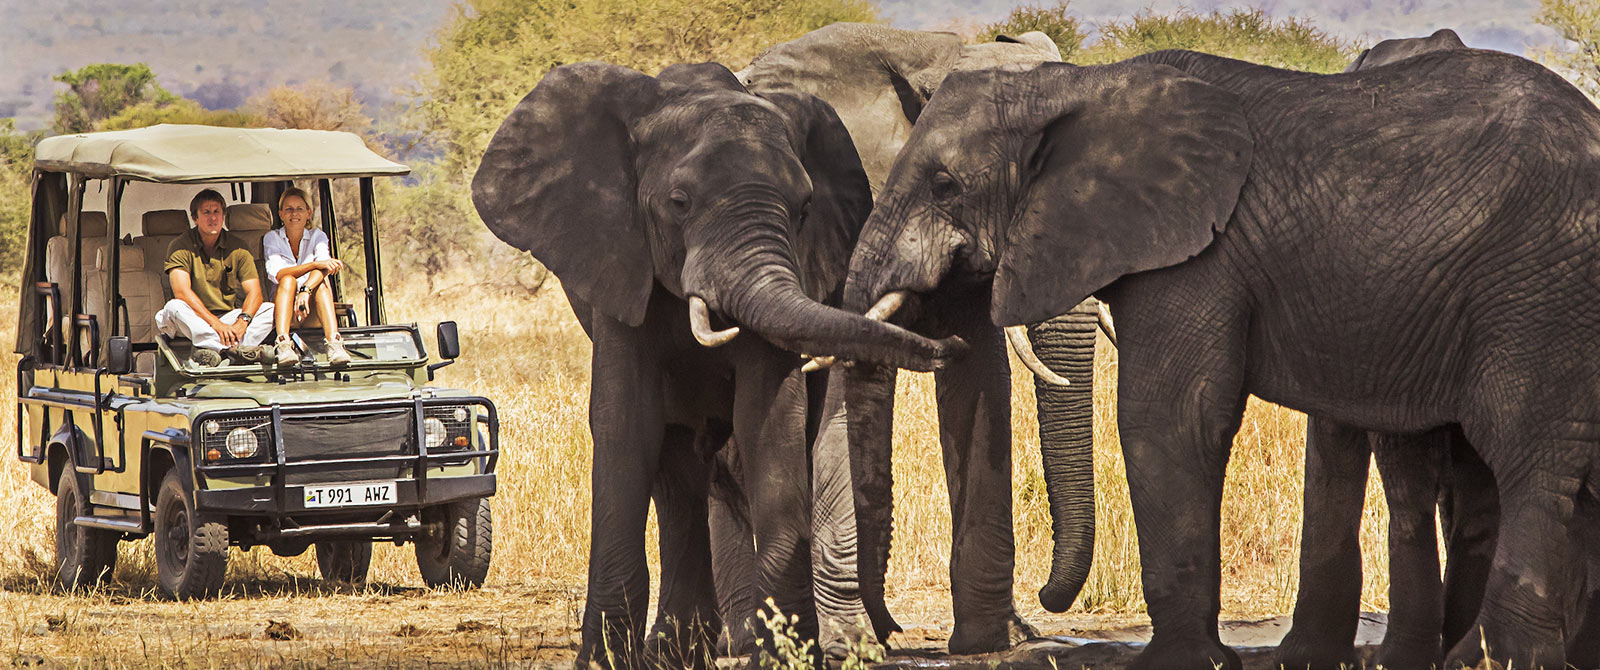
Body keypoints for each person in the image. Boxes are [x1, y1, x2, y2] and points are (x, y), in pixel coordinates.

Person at [154, 189, 275, 367]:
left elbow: (255, 293)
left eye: (217, 212)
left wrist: (242, 322)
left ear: (223, 215)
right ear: (195, 218)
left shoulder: (238, 247)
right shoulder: (180, 246)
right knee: (173, 306)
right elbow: (181, 292)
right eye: (206, 212)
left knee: (271, 309)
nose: (213, 218)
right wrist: (216, 325)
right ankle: (227, 349)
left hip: (227, 318)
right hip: (192, 321)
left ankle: (228, 349)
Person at [263, 187, 350, 366]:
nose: (294, 214)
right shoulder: (272, 238)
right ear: (280, 214)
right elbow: (278, 274)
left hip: (310, 309)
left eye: (299, 209)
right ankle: (283, 343)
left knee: (321, 281)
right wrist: (313, 265)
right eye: (289, 209)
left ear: (308, 213)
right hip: (285, 312)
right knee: (287, 280)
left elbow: (325, 267)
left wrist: (305, 290)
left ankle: (334, 343)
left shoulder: (317, 236)